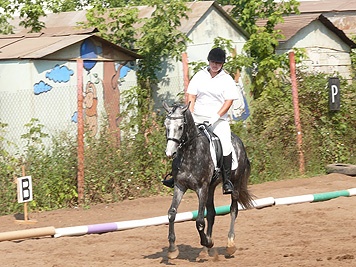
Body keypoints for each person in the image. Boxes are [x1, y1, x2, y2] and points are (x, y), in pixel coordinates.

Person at [163, 47, 242, 194]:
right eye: (213, 62)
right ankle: (175, 176)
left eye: (218, 63)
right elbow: (191, 97)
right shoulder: (200, 76)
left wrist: (216, 116)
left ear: (222, 64)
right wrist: (191, 115)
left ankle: (227, 181)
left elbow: (229, 101)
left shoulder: (226, 79)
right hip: (197, 116)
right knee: (182, 138)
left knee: (225, 144)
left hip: (218, 119)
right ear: (209, 61)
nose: (215, 65)